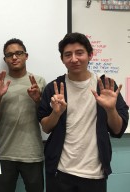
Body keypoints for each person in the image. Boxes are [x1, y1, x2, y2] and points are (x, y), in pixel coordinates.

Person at [37, 32, 129, 192]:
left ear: (90, 55)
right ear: (62, 59)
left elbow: (117, 130)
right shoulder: (54, 88)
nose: (74, 59)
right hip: (60, 171)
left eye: (79, 53)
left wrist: (110, 109)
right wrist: (56, 113)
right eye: (68, 55)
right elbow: (45, 127)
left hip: (95, 173)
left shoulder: (105, 87)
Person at [0, 38, 45, 192]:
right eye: (9, 55)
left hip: (32, 152)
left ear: (26, 56)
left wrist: (38, 100)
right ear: (5, 59)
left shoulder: (39, 81)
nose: (14, 57)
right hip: (4, 152)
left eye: (18, 53)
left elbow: (45, 119)